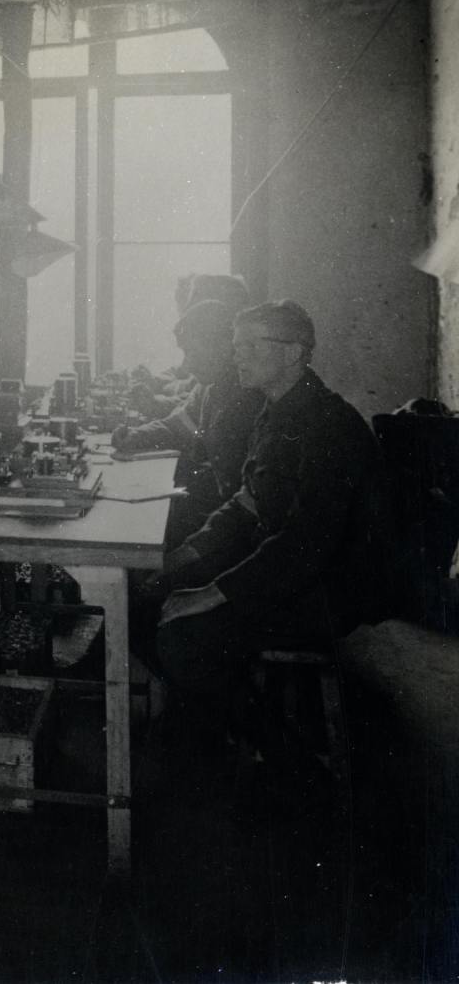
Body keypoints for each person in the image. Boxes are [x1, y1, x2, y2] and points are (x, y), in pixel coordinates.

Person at [149, 301, 379, 729]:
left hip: (323, 589)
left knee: (179, 634)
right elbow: (246, 501)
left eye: (252, 346)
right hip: (285, 568)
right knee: (149, 591)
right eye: (237, 347)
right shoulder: (273, 409)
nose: (237, 356)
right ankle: (227, 721)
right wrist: (187, 553)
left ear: (293, 353)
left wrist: (212, 591)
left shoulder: (330, 425)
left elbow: (305, 544)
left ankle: (264, 743)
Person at [113, 298, 263, 551]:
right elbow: (177, 425)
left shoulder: (251, 395)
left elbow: (248, 499)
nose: (187, 364)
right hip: (219, 510)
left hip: (241, 528)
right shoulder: (210, 387)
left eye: (191, 352)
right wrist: (135, 436)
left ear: (223, 346)